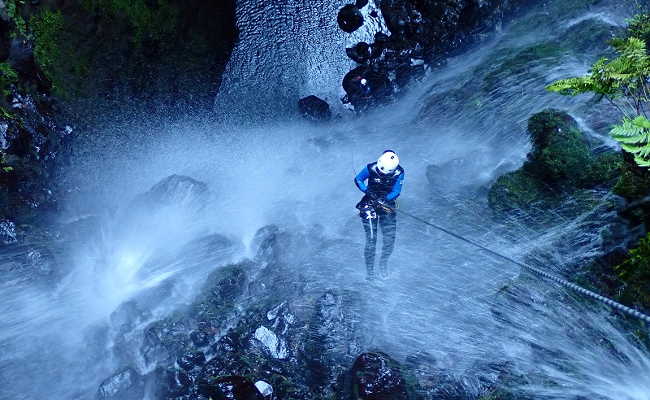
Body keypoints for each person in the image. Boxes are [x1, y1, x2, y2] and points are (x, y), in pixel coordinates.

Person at [354, 150, 404, 279]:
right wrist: (368, 192)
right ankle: (370, 273)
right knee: (371, 240)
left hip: (386, 205)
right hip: (369, 204)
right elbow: (358, 179)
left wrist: (385, 199)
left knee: (389, 240)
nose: (381, 173)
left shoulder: (399, 172)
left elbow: (396, 191)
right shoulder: (371, 167)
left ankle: (383, 264)